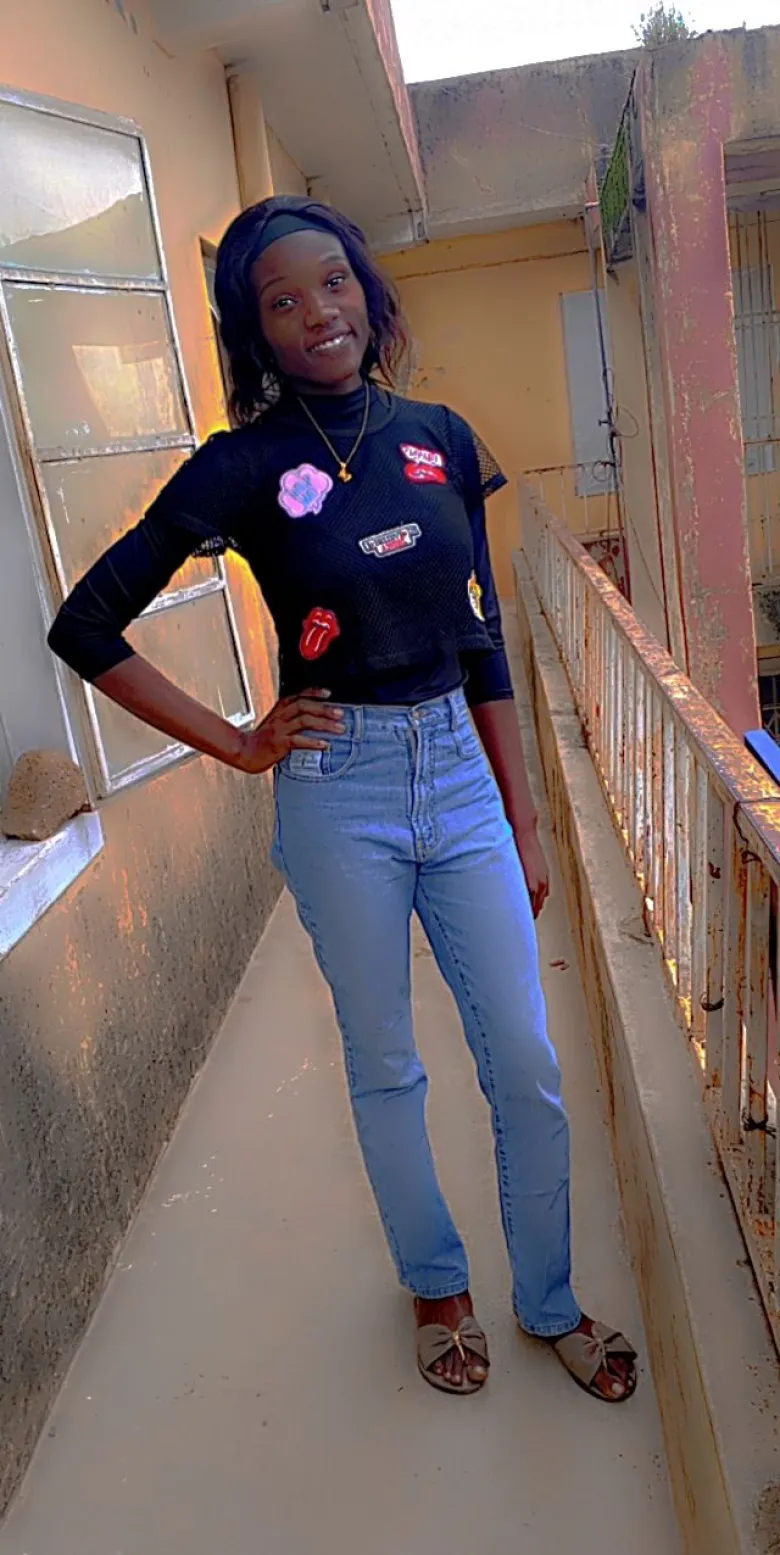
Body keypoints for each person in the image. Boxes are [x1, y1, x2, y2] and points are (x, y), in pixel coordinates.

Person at [48, 195, 637, 1403]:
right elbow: (87, 622)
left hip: (460, 778)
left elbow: (481, 637)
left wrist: (522, 817)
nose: (317, 312)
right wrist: (236, 742)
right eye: (282, 301)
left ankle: (549, 1300)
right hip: (337, 788)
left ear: (367, 291)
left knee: (525, 1060)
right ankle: (437, 1288)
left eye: (333, 282)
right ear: (256, 331)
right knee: (385, 1064)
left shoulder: (441, 439)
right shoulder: (243, 465)